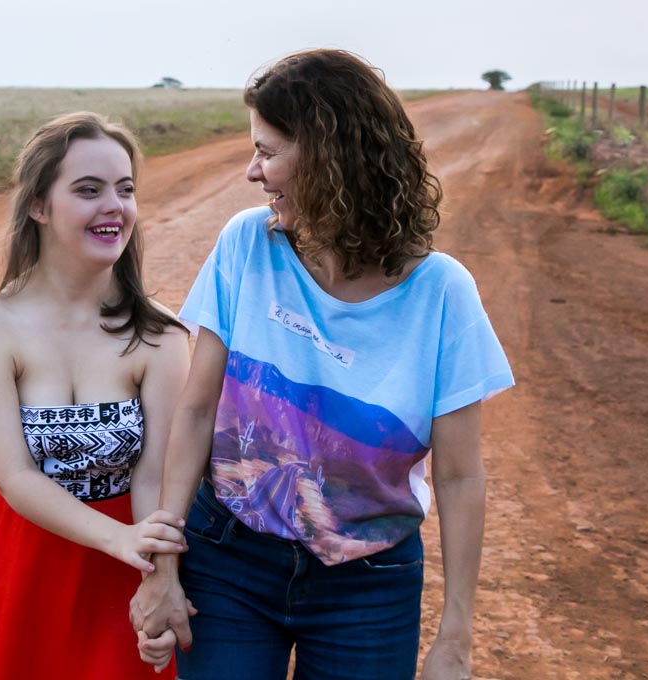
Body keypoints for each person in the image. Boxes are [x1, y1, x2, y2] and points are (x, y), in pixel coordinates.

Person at [130, 50, 515, 680]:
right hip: (227, 561)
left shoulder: (442, 293)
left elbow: (459, 475)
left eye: (267, 152)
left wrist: (456, 637)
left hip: (370, 586)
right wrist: (164, 569)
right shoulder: (246, 244)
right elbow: (196, 411)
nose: (252, 172)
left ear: (329, 159)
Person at [0, 112, 191, 680]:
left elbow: (156, 476)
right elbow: (14, 476)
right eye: (88, 190)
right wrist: (119, 539)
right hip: (14, 558)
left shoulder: (159, 333)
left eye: (125, 189)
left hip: (119, 572)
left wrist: (157, 579)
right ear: (38, 205)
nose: (114, 207)